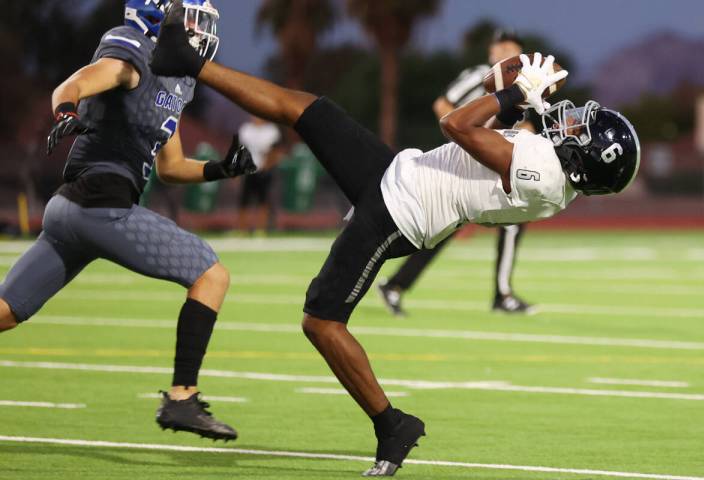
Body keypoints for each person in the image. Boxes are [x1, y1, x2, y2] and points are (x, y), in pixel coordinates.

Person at [150, 1, 641, 474]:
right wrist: (517, 92)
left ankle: (392, 425)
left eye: (583, 130)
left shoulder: (543, 172)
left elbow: (455, 125)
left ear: (584, 159)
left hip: (402, 213)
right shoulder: (554, 168)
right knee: (306, 109)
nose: (574, 122)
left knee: (320, 322)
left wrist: (514, 94)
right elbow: (494, 128)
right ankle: (189, 62)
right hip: (400, 175)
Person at [0, 0, 257, 441]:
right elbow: (76, 83)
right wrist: (65, 110)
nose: (201, 30)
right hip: (100, 203)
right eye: (191, 18)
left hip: (72, 212)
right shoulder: (132, 49)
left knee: (5, 312)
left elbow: (171, 167)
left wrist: (220, 168)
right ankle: (182, 399)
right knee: (212, 276)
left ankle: (182, 399)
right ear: (159, 17)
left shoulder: (176, 80)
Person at [378, 30, 536, 316]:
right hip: (469, 160)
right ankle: (502, 295)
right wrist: (464, 140)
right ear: (492, 52)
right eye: (504, 47)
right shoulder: (482, 76)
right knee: (448, 224)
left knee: (459, 224)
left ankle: (396, 284)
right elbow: (443, 103)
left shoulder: (520, 86)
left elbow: (522, 129)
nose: (508, 54)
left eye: (514, 49)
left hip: (490, 162)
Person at [237, 116, 283, 233]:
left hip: (263, 170)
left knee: (263, 200)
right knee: (244, 200)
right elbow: (239, 150)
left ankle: (261, 229)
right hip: (248, 169)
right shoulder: (246, 129)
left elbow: (276, 151)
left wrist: (267, 166)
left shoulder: (271, 131)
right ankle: (242, 228)